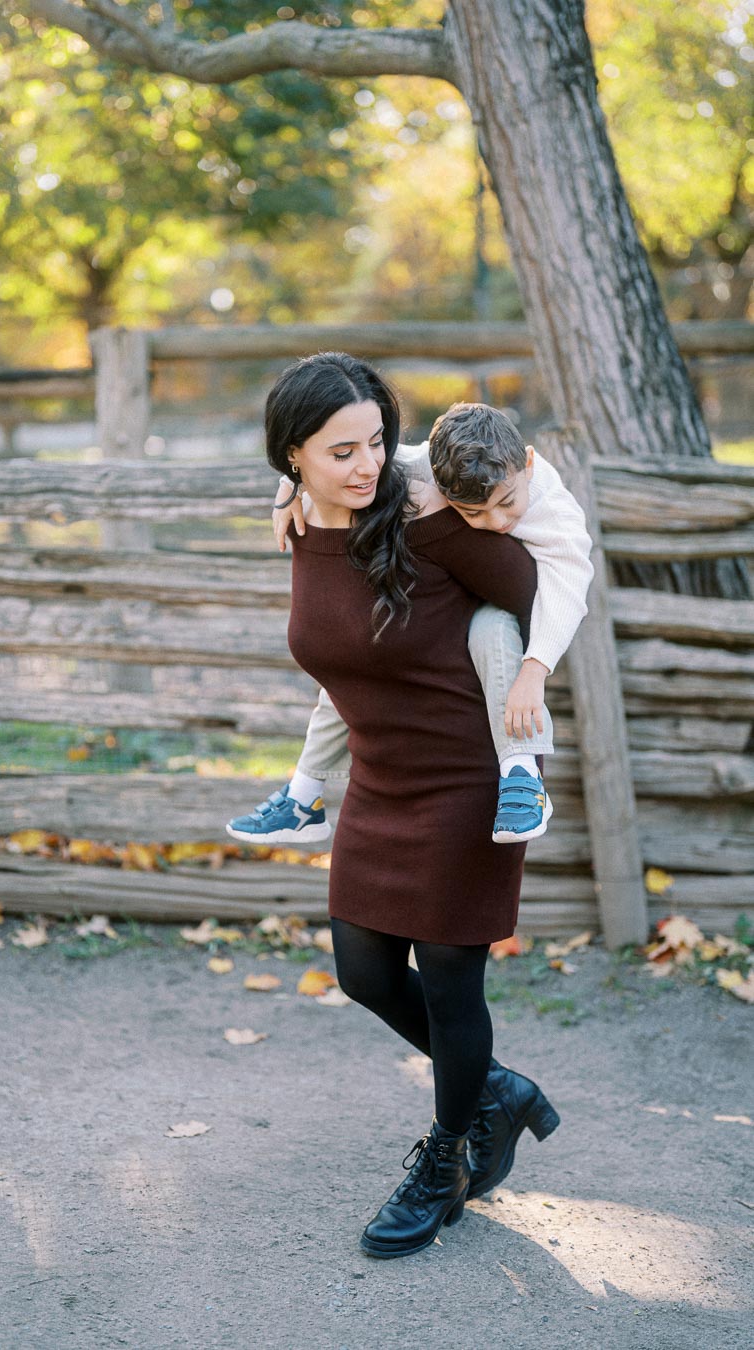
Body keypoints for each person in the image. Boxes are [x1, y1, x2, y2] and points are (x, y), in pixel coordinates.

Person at [255, 352, 560, 1260]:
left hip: (471, 778)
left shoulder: (437, 524)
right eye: (340, 449)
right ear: (293, 458)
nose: (365, 465)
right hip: (379, 778)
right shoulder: (301, 525)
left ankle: (448, 1159)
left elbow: (542, 598)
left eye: (378, 443)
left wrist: (522, 679)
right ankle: (494, 1094)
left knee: (452, 980)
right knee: (363, 971)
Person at [227, 403, 593, 847]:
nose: (496, 523)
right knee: (354, 666)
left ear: (528, 463)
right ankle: (303, 799)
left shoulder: (550, 503)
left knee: (491, 630)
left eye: (506, 503)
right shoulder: (423, 466)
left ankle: (521, 773)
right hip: (459, 596)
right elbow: (362, 462)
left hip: (535, 614)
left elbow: (571, 583)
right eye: (473, 514)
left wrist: (535, 669)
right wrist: (290, 486)